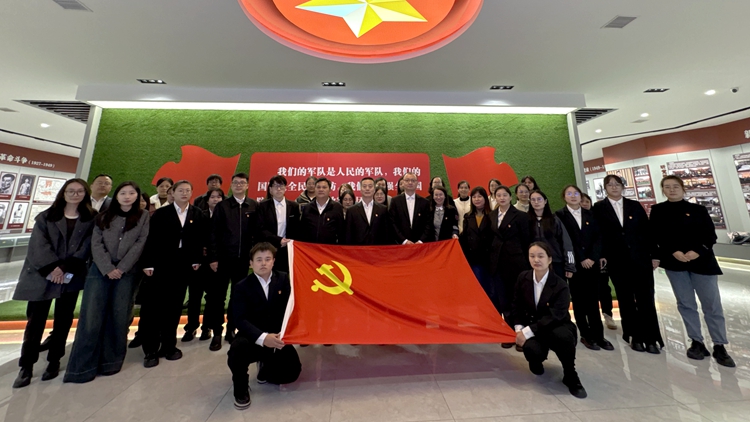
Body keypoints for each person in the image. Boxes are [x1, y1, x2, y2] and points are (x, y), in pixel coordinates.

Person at [11, 179, 97, 388]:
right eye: (71, 191)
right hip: (43, 275)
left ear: (85, 194)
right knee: (35, 322)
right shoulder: (46, 216)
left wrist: (67, 267)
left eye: (80, 191)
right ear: (63, 193)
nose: (75, 194)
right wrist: (52, 268)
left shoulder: (91, 218)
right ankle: (26, 366)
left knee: (63, 320)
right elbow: (38, 245)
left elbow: (88, 245)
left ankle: (54, 360)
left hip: (70, 275)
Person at [63, 181, 149, 383]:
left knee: (119, 316)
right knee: (91, 317)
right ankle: (81, 369)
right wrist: (108, 268)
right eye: (123, 193)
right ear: (116, 196)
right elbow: (96, 243)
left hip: (127, 271)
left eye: (131, 193)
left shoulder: (143, 216)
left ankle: (111, 362)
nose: (127, 196)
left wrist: (121, 268)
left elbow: (140, 243)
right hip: (100, 270)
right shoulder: (102, 216)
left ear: (137, 196)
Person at [650, 176, 734, 367]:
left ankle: (719, 344)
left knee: (712, 305)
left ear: (683, 188)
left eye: (675, 186)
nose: (672, 190)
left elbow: (710, 235)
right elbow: (657, 235)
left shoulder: (698, 210)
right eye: (667, 187)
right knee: (686, 304)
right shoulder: (658, 210)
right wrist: (674, 251)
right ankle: (696, 341)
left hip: (703, 263)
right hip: (675, 263)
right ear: (663, 190)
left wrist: (697, 251)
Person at [137, 180, 206, 368]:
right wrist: (148, 263)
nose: (184, 193)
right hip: (160, 265)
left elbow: (199, 239)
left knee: (174, 307)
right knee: (154, 308)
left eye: (188, 190)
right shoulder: (161, 213)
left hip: (183, 266)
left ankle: (169, 345)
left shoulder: (197, 213)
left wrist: (196, 259)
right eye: (180, 190)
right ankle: (151, 350)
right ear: (172, 193)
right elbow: (150, 240)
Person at [593, 174, 664, 353]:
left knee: (646, 298)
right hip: (617, 261)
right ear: (605, 188)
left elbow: (647, 231)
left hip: (640, 259)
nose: (614, 187)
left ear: (623, 186)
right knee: (625, 299)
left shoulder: (634, 205)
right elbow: (598, 235)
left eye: (617, 184)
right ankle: (634, 336)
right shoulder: (599, 208)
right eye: (610, 185)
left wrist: (655, 255)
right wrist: (601, 255)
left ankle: (652, 338)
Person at [227, 243, 301, 410]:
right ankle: (241, 388)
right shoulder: (241, 286)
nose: (263, 263)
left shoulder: (282, 278)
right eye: (259, 260)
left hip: (276, 335)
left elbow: (289, 309)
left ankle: (265, 366)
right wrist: (262, 337)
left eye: (268, 259)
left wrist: (282, 333)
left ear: (273, 261)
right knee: (237, 350)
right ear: (251, 263)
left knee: (291, 373)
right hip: (253, 335)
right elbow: (240, 319)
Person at [512, 242, 586, 399]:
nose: (536, 260)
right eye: (532, 256)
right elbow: (516, 305)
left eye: (541, 256)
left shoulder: (560, 285)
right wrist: (519, 329)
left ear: (550, 259)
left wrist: (527, 331)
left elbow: (556, 315)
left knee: (563, 338)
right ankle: (536, 361)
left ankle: (570, 374)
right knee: (531, 350)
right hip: (535, 326)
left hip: (556, 326)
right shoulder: (523, 278)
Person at [555, 185, 613, 351]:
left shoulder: (590, 214)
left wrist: (593, 257)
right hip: (574, 264)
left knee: (593, 300)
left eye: (576, 193)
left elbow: (598, 238)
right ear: (564, 197)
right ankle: (586, 335)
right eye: (569, 193)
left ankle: (599, 336)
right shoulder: (559, 216)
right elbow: (565, 240)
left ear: (581, 196)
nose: (573, 196)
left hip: (592, 264)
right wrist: (581, 258)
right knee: (579, 301)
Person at [206, 172, 259, 351]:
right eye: (235, 182)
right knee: (218, 297)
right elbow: (213, 233)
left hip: (242, 260)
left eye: (242, 183)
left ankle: (231, 329)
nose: (238, 185)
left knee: (238, 296)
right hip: (222, 259)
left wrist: (252, 258)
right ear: (231, 185)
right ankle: (217, 333)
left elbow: (256, 235)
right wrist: (213, 258)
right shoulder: (222, 206)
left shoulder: (253, 206)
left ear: (247, 185)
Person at [488, 186, 531, 333]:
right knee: (503, 297)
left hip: (516, 262)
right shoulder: (491, 215)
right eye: (498, 195)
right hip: (497, 262)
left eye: (504, 195)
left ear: (510, 197)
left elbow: (526, 240)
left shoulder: (520, 216)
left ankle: (521, 329)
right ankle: (508, 330)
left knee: (517, 296)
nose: (502, 198)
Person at [581, 193, 616, 330]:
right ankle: (590, 317)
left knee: (604, 287)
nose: (584, 204)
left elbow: (602, 238)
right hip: (585, 261)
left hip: (602, 258)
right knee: (589, 290)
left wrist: (601, 255)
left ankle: (608, 314)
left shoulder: (597, 217)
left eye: (587, 201)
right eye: (582, 201)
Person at [527, 190, 575, 279]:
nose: (536, 202)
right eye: (533, 200)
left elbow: (566, 243)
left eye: (539, 199)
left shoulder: (555, 220)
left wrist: (570, 266)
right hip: (534, 264)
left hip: (555, 263)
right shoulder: (526, 221)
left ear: (545, 201)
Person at [257, 175, 299, 273]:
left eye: (281, 186)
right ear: (270, 189)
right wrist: (278, 240)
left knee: (284, 276)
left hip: (287, 248)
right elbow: (260, 228)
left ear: (285, 188)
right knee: (268, 275)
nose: (278, 189)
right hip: (268, 247)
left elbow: (297, 227)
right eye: (275, 186)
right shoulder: (263, 206)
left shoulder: (294, 206)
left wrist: (289, 241)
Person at [460, 187, 493, 303]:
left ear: (485, 198)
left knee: (490, 289)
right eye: (474, 197)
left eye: (479, 196)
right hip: (473, 258)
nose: (477, 199)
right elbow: (464, 238)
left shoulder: (492, 216)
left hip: (489, 259)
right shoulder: (467, 216)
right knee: (478, 286)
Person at [345, 177, 392, 245]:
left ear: (374, 189)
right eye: (364, 186)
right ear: (360, 189)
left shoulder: (382, 209)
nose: (367, 189)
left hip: (378, 248)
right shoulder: (351, 210)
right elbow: (348, 235)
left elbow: (386, 233)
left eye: (370, 186)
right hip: (358, 249)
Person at [389, 172, 433, 244]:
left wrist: (421, 241)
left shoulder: (424, 202)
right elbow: (392, 223)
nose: (410, 183)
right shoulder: (395, 201)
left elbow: (428, 223)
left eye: (413, 180)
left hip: (420, 244)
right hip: (401, 244)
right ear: (403, 183)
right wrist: (404, 241)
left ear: (417, 183)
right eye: (407, 180)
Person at [299, 177, 345, 245]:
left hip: (330, 248)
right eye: (318, 187)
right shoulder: (307, 208)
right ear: (315, 189)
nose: (321, 189)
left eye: (324, 187)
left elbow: (341, 232)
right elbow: (302, 231)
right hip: (310, 248)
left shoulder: (337, 207)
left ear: (330, 190)